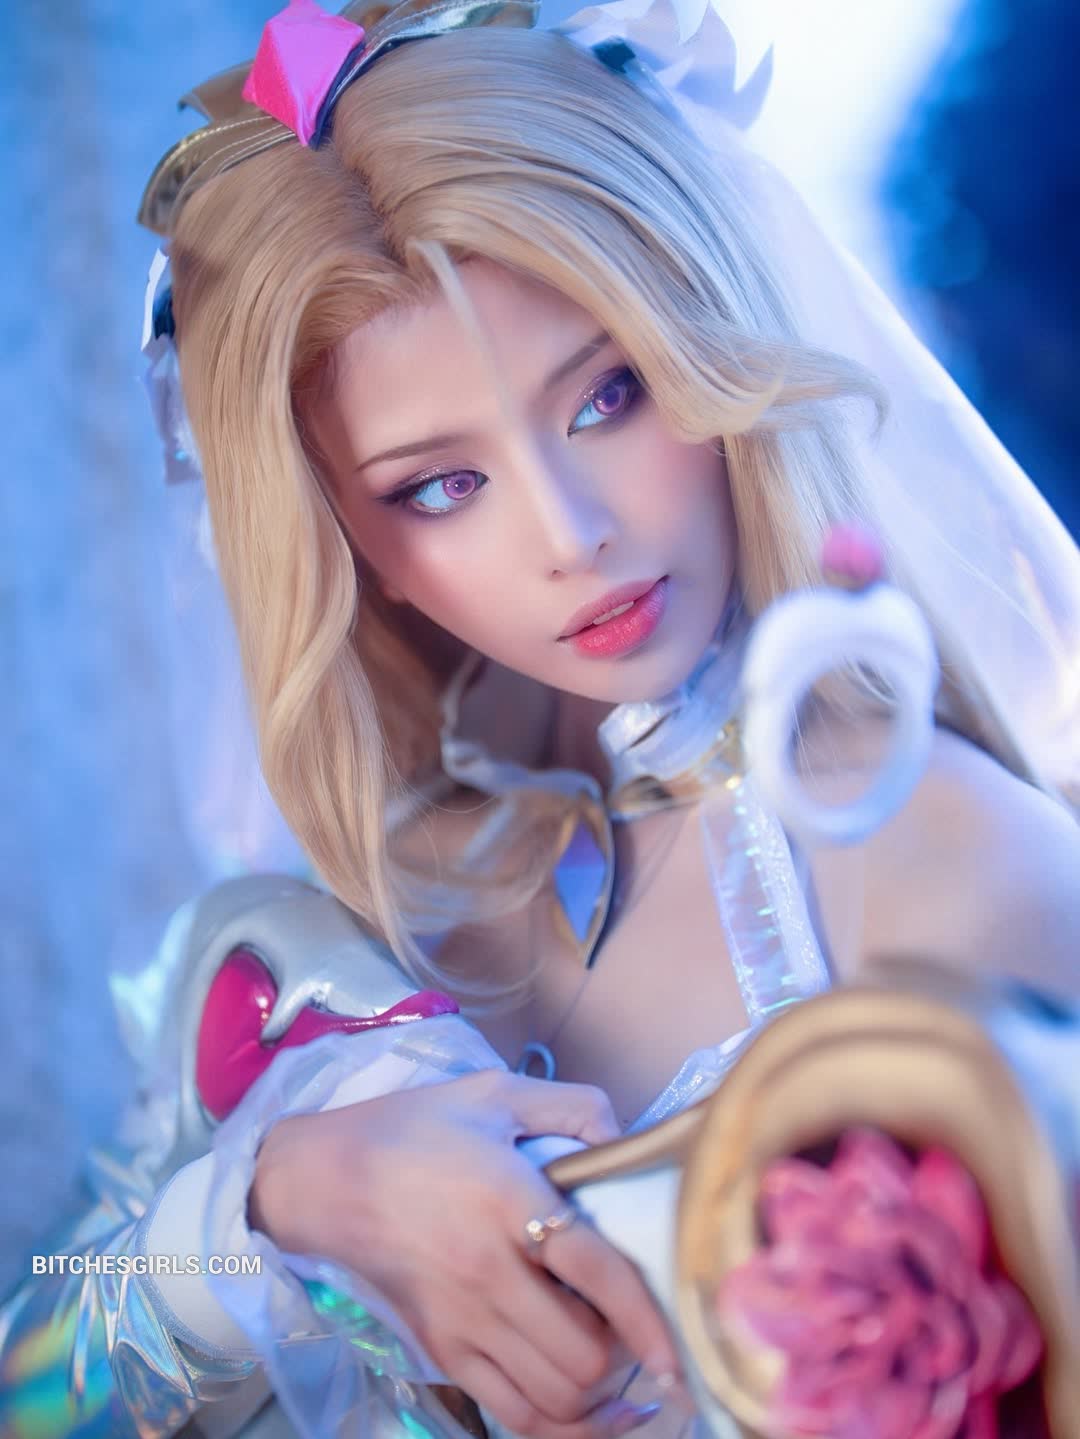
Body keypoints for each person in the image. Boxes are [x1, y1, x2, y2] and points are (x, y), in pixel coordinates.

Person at [2, 0, 1079, 1436]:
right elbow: (32, 1378)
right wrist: (280, 1201)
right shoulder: (309, 945)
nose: (573, 535)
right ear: (347, 545)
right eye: (441, 486)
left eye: (609, 396)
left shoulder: (960, 873)